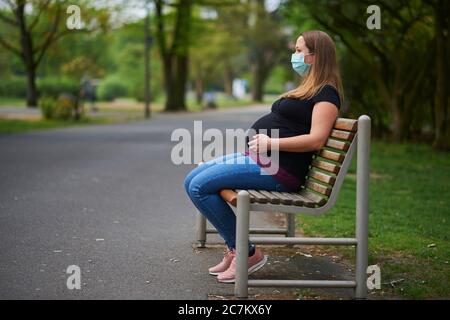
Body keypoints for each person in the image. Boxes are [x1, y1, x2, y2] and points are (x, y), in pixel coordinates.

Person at [184, 30, 343, 283]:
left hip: (280, 171)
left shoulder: (327, 94)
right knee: (191, 179)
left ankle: (246, 253)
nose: (295, 55)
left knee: (200, 185)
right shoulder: (309, 89)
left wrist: (272, 142)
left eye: (299, 51)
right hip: (262, 160)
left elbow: (317, 139)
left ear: (315, 56)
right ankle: (237, 248)